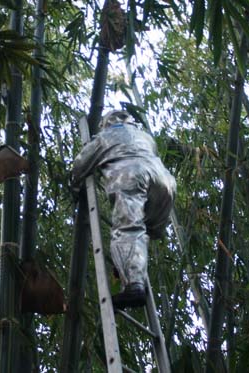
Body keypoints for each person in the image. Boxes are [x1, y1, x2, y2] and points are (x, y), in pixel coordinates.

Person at [71, 110, 176, 309]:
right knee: (142, 231)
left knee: (128, 229)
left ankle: (134, 285)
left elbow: (80, 166)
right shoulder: (145, 137)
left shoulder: (105, 137)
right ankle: (129, 266)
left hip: (131, 176)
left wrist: (75, 191)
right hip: (165, 184)